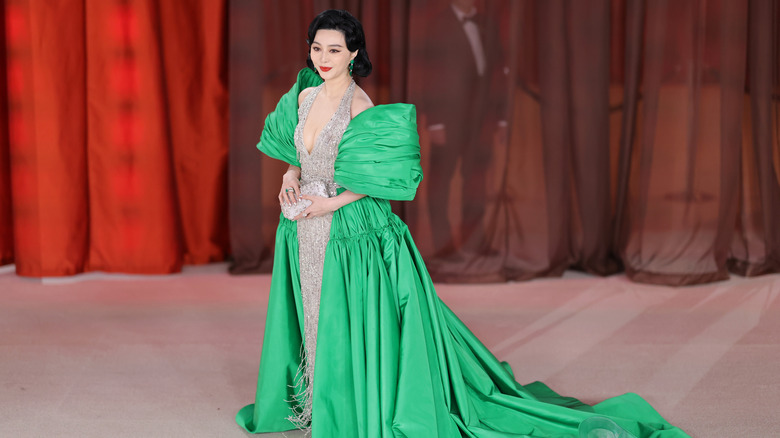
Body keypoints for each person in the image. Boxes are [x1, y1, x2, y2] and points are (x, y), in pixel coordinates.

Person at [236, 9, 689, 438]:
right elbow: (298, 157)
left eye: (334, 50)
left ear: (354, 53)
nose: (323, 59)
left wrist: (329, 206)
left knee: (345, 317)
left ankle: (347, 408)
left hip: (352, 231)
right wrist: (289, 176)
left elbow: (383, 178)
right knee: (312, 310)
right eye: (317, 48)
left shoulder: (360, 104)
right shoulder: (305, 95)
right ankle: (319, 401)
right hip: (301, 228)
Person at [419, 0, 507, 258]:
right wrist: (434, 121)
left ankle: (476, 242)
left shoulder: (486, 24)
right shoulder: (437, 25)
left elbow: (499, 72)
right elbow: (429, 75)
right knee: (440, 184)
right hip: (448, 119)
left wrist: (501, 119)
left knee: (476, 183)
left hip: (481, 119)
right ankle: (444, 247)